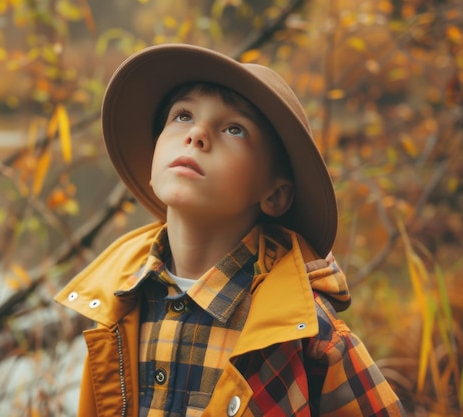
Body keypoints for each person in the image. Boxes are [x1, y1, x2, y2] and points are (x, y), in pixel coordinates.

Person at [55, 44, 406, 417]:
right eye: (183, 116)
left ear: (274, 194)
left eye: (234, 129)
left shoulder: (307, 336)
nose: (197, 134)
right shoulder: (118, 304)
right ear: (153, 162)